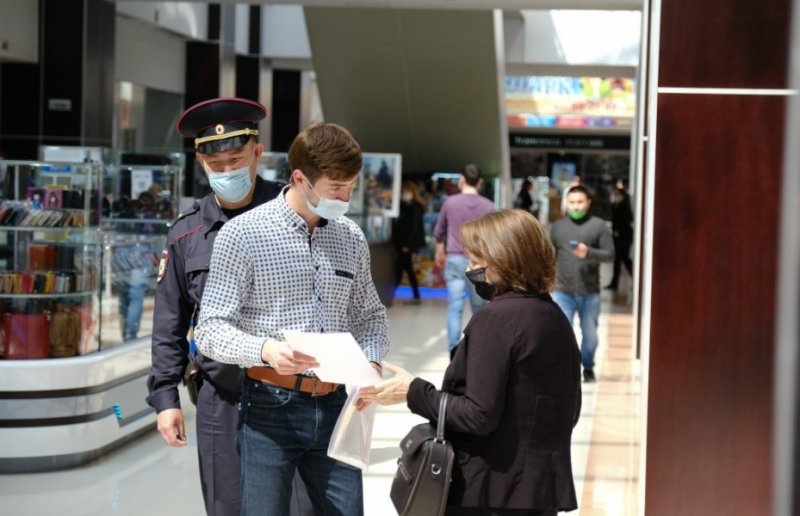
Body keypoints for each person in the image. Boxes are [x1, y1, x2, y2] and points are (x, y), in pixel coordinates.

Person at [194, 122, 390, 516]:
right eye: (336, 188)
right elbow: (210, 329)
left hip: (337, 406)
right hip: (269, 406)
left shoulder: (350, 237)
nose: (346, 196)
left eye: (351, 185)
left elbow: (370, 314)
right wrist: (264, 350)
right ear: (301, 178)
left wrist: (370, 363)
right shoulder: (243, 234)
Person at [145, 97, 312, 516]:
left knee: (301, 509)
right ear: (201, 162)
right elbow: (169, 322)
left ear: (257, 152)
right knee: (230, 507)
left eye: (236, 159)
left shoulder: (297, 217)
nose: (226, 172)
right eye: (216, 165)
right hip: (223, 402)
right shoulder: (187, 234)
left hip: (292, 395)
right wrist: (165, 399)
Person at [361, 208, 582, 516]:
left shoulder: (496, 319)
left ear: (507, 259)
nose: (470, 269)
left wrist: (413, 391)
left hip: (488, 491)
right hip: (539, 491)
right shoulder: (555, 318)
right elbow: (569, 410)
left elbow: (478, 414)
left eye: (478, 262)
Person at [549, 185, 614, 383]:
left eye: (580, 202)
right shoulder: (558, 227)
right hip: (562, 291)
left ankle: (588, 367)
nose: (576, 206)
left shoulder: (599, 226)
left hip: (590, 292)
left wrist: (589, 253)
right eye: (572, 202)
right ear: (566, 203)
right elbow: (550, 256)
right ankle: (565, 369)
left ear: (588, 203)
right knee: (561, 335)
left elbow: (610, 254)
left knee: (590, 336)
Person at [433, 163, 495, 358]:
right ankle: (479, 348)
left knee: (455, 307)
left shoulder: (450, 202)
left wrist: (439, 251)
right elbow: (494, 236)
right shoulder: (488, 205)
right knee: (480, 308)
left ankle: (453, 351)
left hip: (455, 258)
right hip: (480, 262)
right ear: (481, 182)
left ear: (462, 179)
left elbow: (439, 231)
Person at [392, 181, 427, 304]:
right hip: (402, 243)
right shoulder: (403, 206)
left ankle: (390, 295)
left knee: (400, 268)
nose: (404, 194)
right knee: (406, 268)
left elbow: (414, 227)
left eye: (406, 191)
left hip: (407, 244)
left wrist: (408, 244)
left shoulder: (415, 207)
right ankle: (416, 296)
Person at [606, 178, 634, 291]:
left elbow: (627, 220)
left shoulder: (624, 206)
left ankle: (635, 279)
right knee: (618, 260)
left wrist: (619, 231)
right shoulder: (615, 205)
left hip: (624, 237)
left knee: (624, 259)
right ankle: (614, 283)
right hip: (617, 237)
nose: (615, 196)